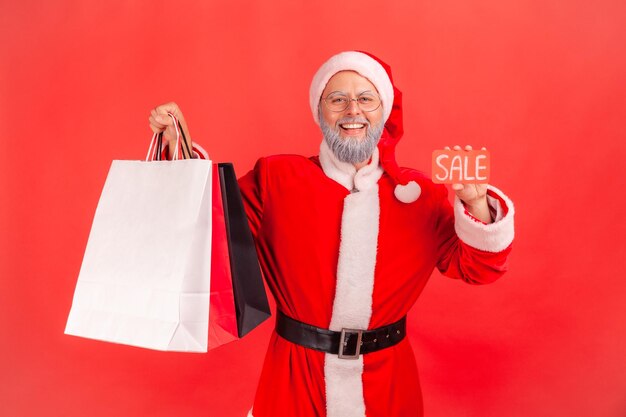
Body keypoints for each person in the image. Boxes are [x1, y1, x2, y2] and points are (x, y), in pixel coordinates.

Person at [148, 51, 514, 417]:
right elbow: (209, 230)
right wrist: (177, 149)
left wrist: (477, 204)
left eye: (366, 99)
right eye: (337, 99)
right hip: (295, 375)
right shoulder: (276, 179)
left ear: (383, 111)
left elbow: (477, 269)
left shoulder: (421, 194)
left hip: (388, 381)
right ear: (320, 111)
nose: (352, 110)